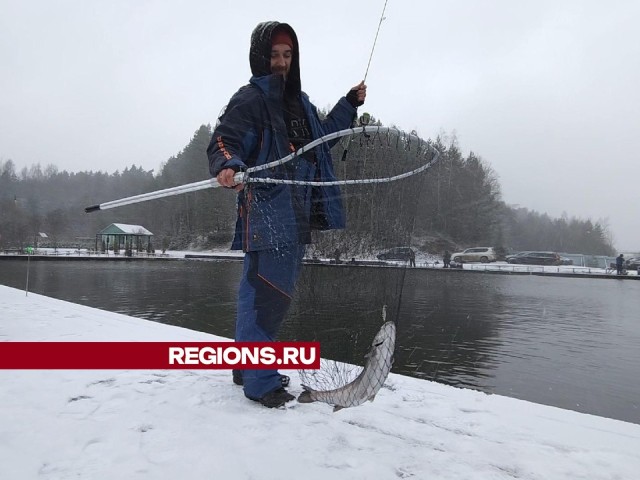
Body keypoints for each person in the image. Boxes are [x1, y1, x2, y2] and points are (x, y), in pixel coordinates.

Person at [207, 22, 366, 408]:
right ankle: (260, 383)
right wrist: (228, 166)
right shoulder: (249, 99)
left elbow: (323, 139)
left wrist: (348, 104)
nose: (281, 62)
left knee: (258, 294)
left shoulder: (301, 101)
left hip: (295, 212)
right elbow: (223, 141)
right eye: (274, 55)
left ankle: (246, 367)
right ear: (260, 57)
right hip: (266, 209)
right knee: (268, 297)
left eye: (287, 55)